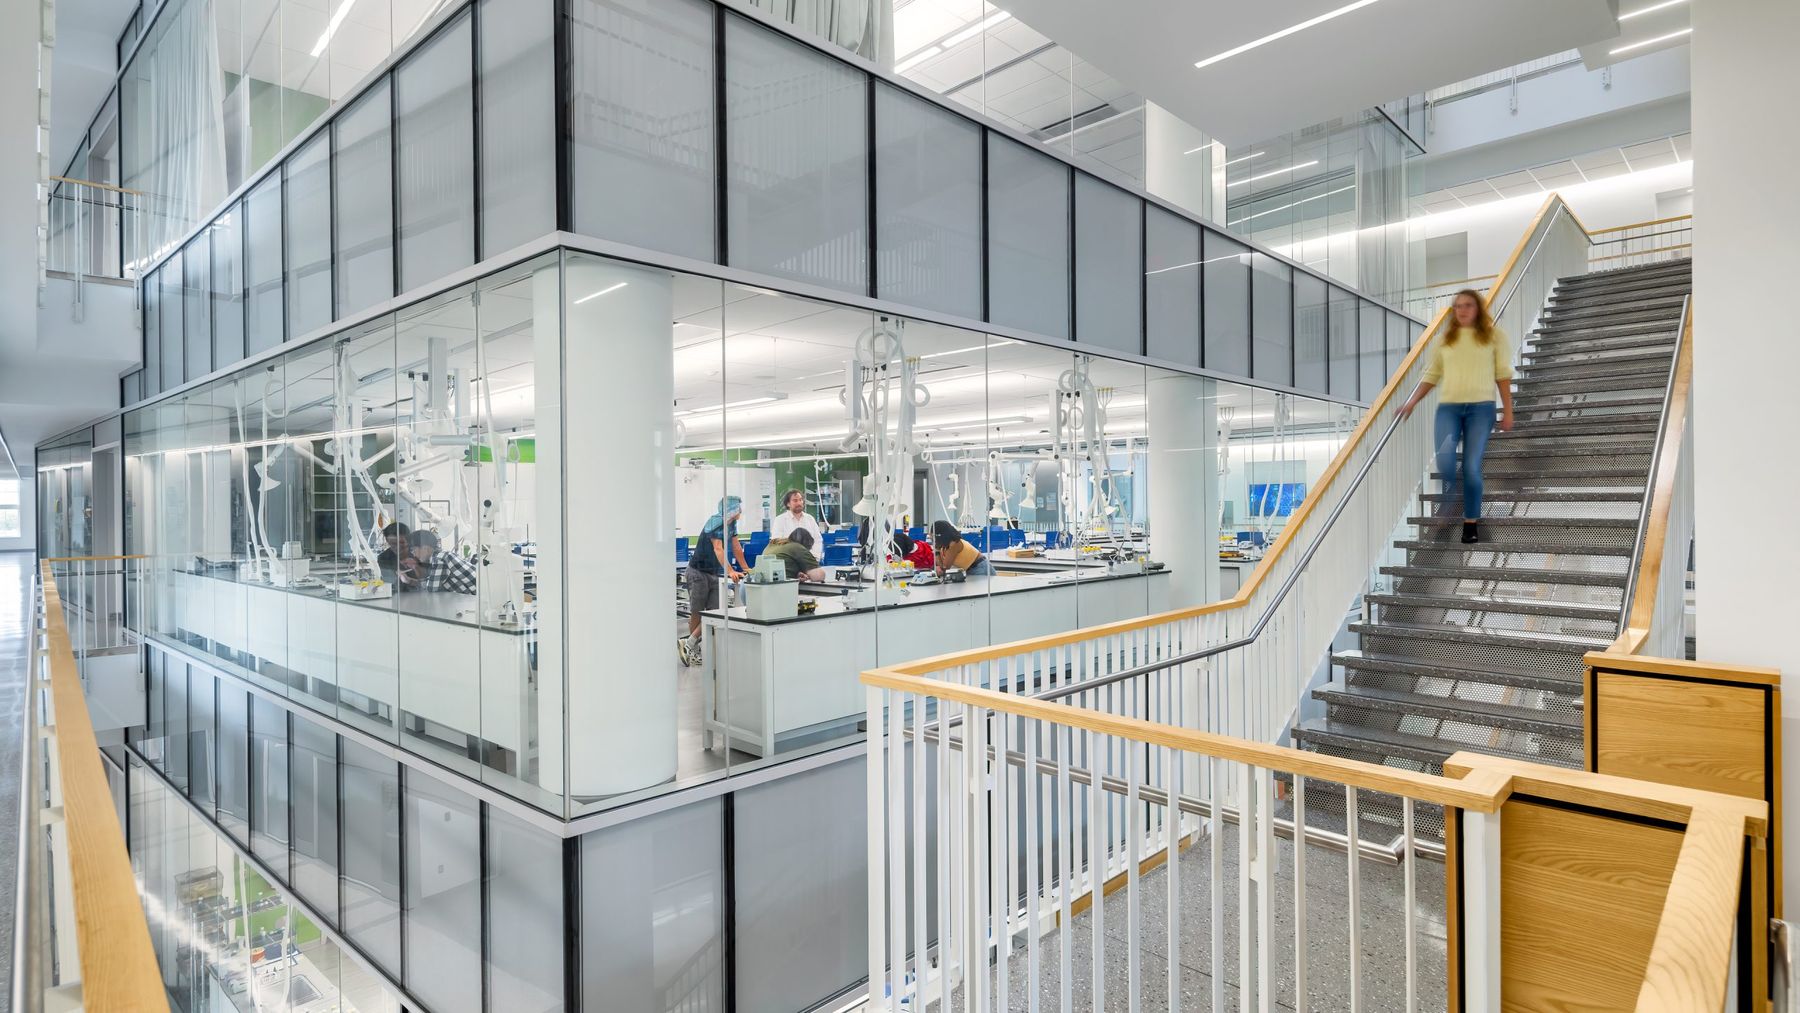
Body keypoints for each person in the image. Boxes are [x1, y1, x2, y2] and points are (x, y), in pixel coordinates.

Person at [1397, 288, 1515, 544]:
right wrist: (1411, 402)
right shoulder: (1443, 340)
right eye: (1458, 306)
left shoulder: (1495, 337)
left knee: (1472, 468)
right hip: (1449, 408)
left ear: (1478, 309)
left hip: (1480, 410)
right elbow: (1431, 376)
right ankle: (1449, 501)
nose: (1462, 310)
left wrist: (1508, 411)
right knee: (1445, 461)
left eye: (1468, 305)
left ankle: (1470, 522)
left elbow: (1502, 376)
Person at [680, 496, 749, 666]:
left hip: (713, 573)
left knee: (715, 613)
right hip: (697, 572)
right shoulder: (716, 522)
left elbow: (736, 547)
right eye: (738, 507)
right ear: (732, 509)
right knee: (698, 612)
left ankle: (688, 643)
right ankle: (693, 651)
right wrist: (731, 570)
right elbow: (718, 549)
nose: (741, 510)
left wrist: (747, 569)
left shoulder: (731, 524)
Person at [397, 529, 478, 594]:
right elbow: (431, 581)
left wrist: (410, 580)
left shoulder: (440, 558)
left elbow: (431, 589)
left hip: (478, 599)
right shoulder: (440, 555)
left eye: (413, 550)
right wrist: (408, 580)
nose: (413, 554)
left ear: (425, 548)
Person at [761, 527, 827, 582]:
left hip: (760, 582)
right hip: (779, 587)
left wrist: (795, 574)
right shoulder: (798, 547)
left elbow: (784, 565)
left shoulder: (775, 544)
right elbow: (818, 576)